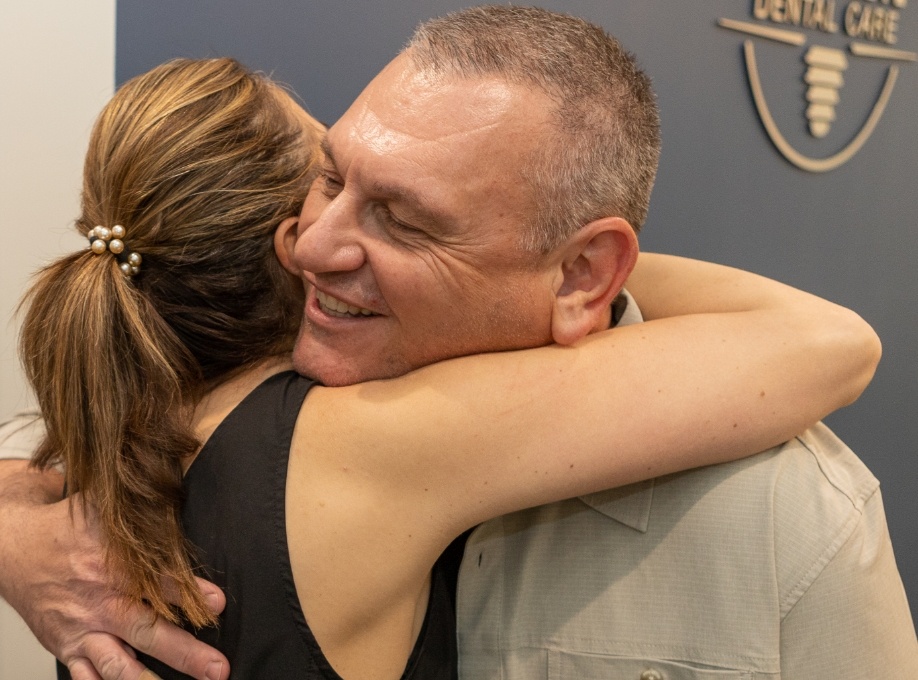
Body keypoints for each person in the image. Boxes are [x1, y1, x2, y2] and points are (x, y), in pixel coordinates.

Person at [0, 11, 889, 680]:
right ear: (270, 245)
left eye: (403, 216)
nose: (320, 242)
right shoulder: (363, 449)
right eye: (331, 177)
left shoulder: (104, 436)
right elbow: (824, 340)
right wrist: (558, 268)